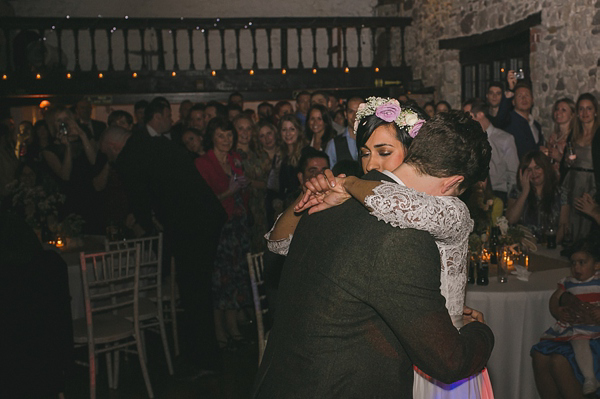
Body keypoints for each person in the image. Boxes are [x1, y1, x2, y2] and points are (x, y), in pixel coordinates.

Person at [253, 107, 494, 398]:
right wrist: (482, 333)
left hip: (281, 382)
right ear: (454, 183)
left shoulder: (327, 203)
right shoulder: (405, 239)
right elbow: (449, 361)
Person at [99, 126, 226, 378]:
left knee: (193, 291)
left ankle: (205, 360)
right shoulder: (157, 143)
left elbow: (140, 203)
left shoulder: (128, 157)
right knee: (198, 290)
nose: (111, 161)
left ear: (114, 147)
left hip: (189, 226)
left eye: (108, 156)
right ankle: (203, 354)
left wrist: (144, 225)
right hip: (207, 217)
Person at [194, 118, 252, 350]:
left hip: (238, 227)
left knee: (236, 278)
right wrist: (230, 190)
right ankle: (219, 330)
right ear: (212, 137)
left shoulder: (234, 159)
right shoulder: (203, 163)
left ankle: (233, 327)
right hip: (218, 229)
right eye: (221, 135)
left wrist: (242, 187)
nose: (226, 140)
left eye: (229, 135)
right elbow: (202, 202)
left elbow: (241, 193)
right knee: (219, 281)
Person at [532, 239, 600, 397]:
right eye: (573, 263)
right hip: (573, 330)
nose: (576, 267)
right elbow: (554, 299)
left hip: (594, 334)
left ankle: (590, 379)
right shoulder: (569, 282)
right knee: (539, 355)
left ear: (596, 264)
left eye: (582, 262)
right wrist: (557, 310)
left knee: (558, 361)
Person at [506, 150, 569, 242]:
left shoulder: (561, 193)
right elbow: (511, 220)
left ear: (545, 168)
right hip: (525, 246)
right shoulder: (517, 191)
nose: (534, 173)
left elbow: (563, 225)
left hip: (551, 246)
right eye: (529, 170)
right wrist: (525, 192)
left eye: (537, 168)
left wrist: (550, 245)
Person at [465, 98, 518, 203]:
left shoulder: (504, 139)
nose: (466, 120)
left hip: (499, 193)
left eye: (468, 116)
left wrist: (512, 200)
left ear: (479, 115)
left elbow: (513, 172)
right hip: (475, 194)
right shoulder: (469, 139)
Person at [562, 93, 599, 241]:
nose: (585, 113)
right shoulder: (574, 134)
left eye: (589, 109)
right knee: (573, 216)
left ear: (595, 111)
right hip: (575, 180)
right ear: (577, 113)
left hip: (592, 182)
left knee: (589, 218)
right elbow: (566, 162)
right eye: (581, 109)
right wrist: (567, 162)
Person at [233, 114, 269, 252]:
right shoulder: (229, 155)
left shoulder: (260, 154)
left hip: (259, 209)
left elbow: (270, 184)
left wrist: (250, 182)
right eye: (240, 128)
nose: (245, 132)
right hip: (238, 210)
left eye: (248, 128)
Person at [496, 72, 544, 160]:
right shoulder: (509, 120)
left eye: (527, 95)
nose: (524, 99)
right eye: (519, 96)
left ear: (532, 100)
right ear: (513, 102)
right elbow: (500, 118)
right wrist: (510, 90)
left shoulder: (536, 126)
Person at [278, 114, 308, 208]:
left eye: (292, 129)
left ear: (298, 131)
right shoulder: (280, 154)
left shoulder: (306, 153)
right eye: (284, 130)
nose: (288, 133)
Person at [324, 96, 364, 168]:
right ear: (345, 114)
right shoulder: (334, 144)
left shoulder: (374, 140)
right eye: (351, 112)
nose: (355, 116)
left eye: (359, 111)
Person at [547, 98, 576, 179]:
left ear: (572, 114)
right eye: (557, 109)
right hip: (552, 178)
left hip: (566, 179)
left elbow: (576, 163)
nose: (558, 112)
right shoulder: (553, 137)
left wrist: (560, 158)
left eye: (563, 110)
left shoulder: (573, 137)